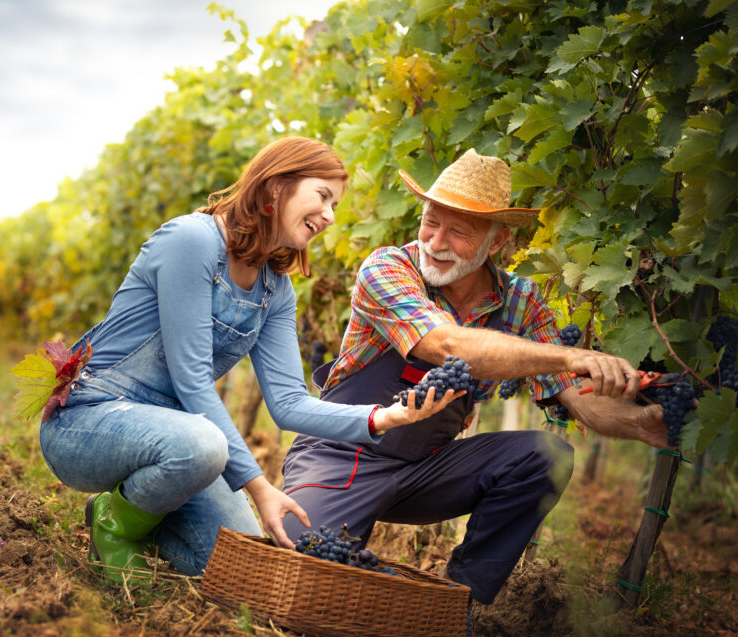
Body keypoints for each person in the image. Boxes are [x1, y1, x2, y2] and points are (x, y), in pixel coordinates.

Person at [279, 148, 669, 637]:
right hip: (342, 453)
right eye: (430, 222)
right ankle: (381, 595)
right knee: (307, 568)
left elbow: (578, 401)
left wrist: (643, 425)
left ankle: (450, 611)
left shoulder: (521, 303)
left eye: (457, 232)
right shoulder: (389, 268)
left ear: (497, 241)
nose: (436, 243)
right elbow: (443, 345)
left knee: (545, 454)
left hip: (426, 466)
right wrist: (572, 353)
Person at [38, 136, 464, 585]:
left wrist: (384, 418)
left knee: (238, 575)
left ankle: (135, 506)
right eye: (322, 196)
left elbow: (287, 404)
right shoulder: (192, 241)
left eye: (335, 204)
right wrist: (260, 487)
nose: (330, 216)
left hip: (177, 439)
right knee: (205, 446)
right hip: (89, 422)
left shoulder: (274, 291)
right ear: (277, 185)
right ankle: (117, 528)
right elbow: (192, 382)